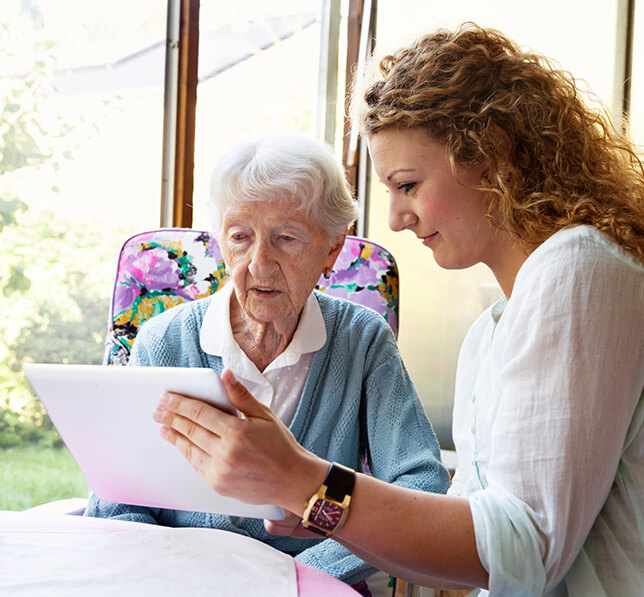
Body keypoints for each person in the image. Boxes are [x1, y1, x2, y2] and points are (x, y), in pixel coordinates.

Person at [150, 23, 644, 597]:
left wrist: (304, 480)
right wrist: (315, 502)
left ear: (489, 154)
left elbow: (525, 550)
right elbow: (460, 556)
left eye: (408, 184)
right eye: (240, 236)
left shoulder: (580, 270)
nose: (395, 219)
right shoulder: (492, 335)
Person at [84, 132, 450, 595]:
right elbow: (118, 496)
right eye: (240, 237)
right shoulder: (164, 340)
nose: (259, 264)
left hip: (311, 584)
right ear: (221, 241)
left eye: (286, 238)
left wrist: (304, 574)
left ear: (332, 250)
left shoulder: (362, 340)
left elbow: (421, 484)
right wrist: (172, 576)